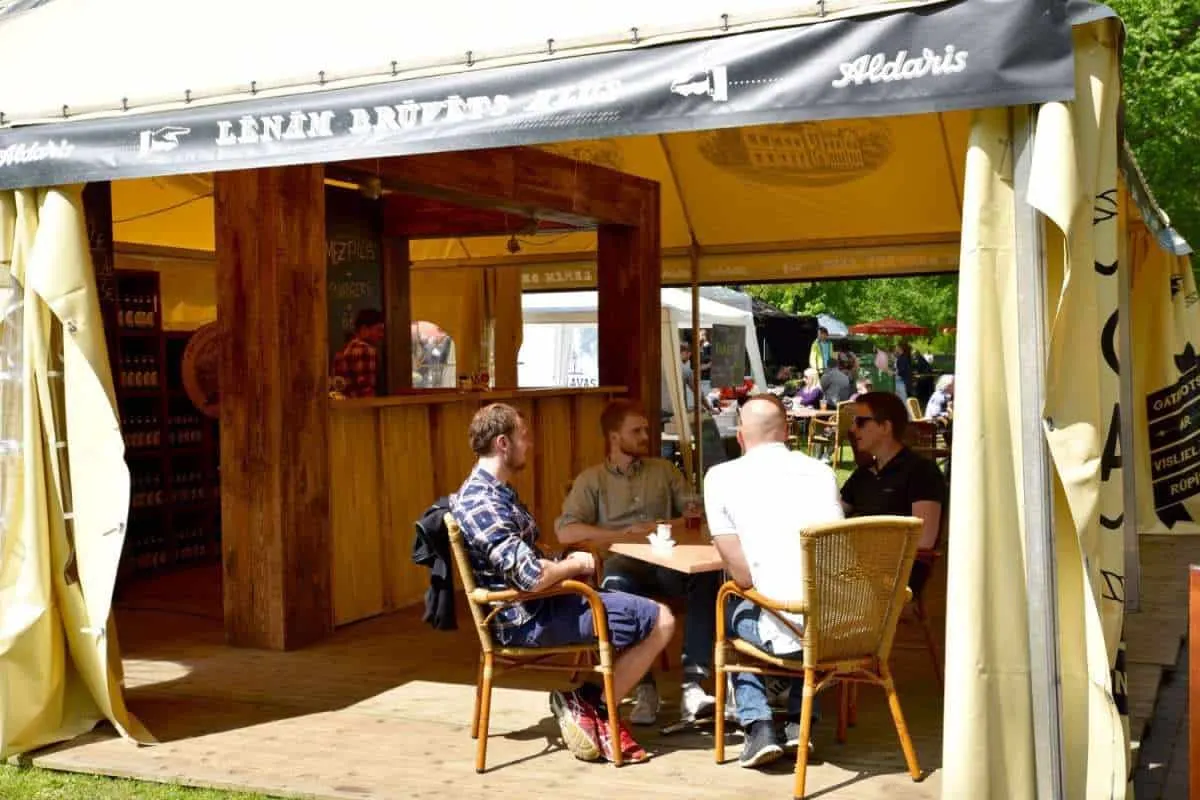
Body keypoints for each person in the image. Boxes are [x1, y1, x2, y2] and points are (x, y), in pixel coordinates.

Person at [451, 403, 675, 763]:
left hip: (538, 604)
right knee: (660, 619)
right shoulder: (483, 502)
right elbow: (531, 577)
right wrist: (574, 564)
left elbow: (529, 563)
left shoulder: (496, 492)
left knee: (627, 602)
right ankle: (597, 707)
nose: (530, 445)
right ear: (503, 443)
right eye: (524, 437)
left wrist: (567, 566)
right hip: (525, 619)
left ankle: (589, 700)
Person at [558, 400, 719, 726]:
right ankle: (642, 686)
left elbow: (695, 512)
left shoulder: (664, 471)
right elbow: (565, 531)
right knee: (615, 587)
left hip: (668, 563)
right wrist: (618, 533)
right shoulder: (592, 481)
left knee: (708, 577)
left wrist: (665, 524)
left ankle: (693, 684)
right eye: (637, 431)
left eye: (646, 429)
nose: (646, 435)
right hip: (623, 564)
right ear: (615, 437)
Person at [704, 394, 843, 767]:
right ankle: (801, 722)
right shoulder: (821, 472)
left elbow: (743, 576)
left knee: (734, 605)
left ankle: (757, 723)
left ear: (740, 437)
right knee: (800, 601)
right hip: (842, 626)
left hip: (785, 626)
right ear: (786, 433)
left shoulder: (720, 478)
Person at [841, 392, 947, 594]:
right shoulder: (864, 474)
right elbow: (833, 514)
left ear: (885, 427)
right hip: (856, 572)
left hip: (896, 578)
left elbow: (923, 541)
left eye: (861, 422)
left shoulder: (922, 471)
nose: (853, 429)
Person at [332, 308, 384, 398]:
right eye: (378, 330)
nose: (381, 335)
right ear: (364, 329)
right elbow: (367, 391)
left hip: (342, 407)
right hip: (360, 408)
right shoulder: (366, 350)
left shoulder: (343, 350)